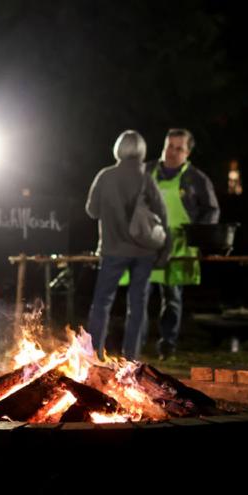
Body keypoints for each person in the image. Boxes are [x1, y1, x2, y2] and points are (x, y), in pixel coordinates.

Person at [85, 130, 169, 359]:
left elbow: (91, 211)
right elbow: (162, 213)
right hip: (144, 251)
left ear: (118, 149)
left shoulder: (105, 176)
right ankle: (131, 358)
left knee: (102, 302)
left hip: (112, 249)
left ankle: (93, 355)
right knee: (138, 304)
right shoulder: (145, 178)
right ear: (141, 150)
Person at [143, 128, 220, 359]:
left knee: (172, 298)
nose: (172, 152)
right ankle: (134, 345)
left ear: (188, 152)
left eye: (179, 148)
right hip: (147, 245)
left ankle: (167, 346)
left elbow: (212, 210)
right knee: (139, 297)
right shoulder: (146, 171)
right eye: (169, 146)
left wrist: (198, 235)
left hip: (179, 246)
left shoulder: (196, 179)